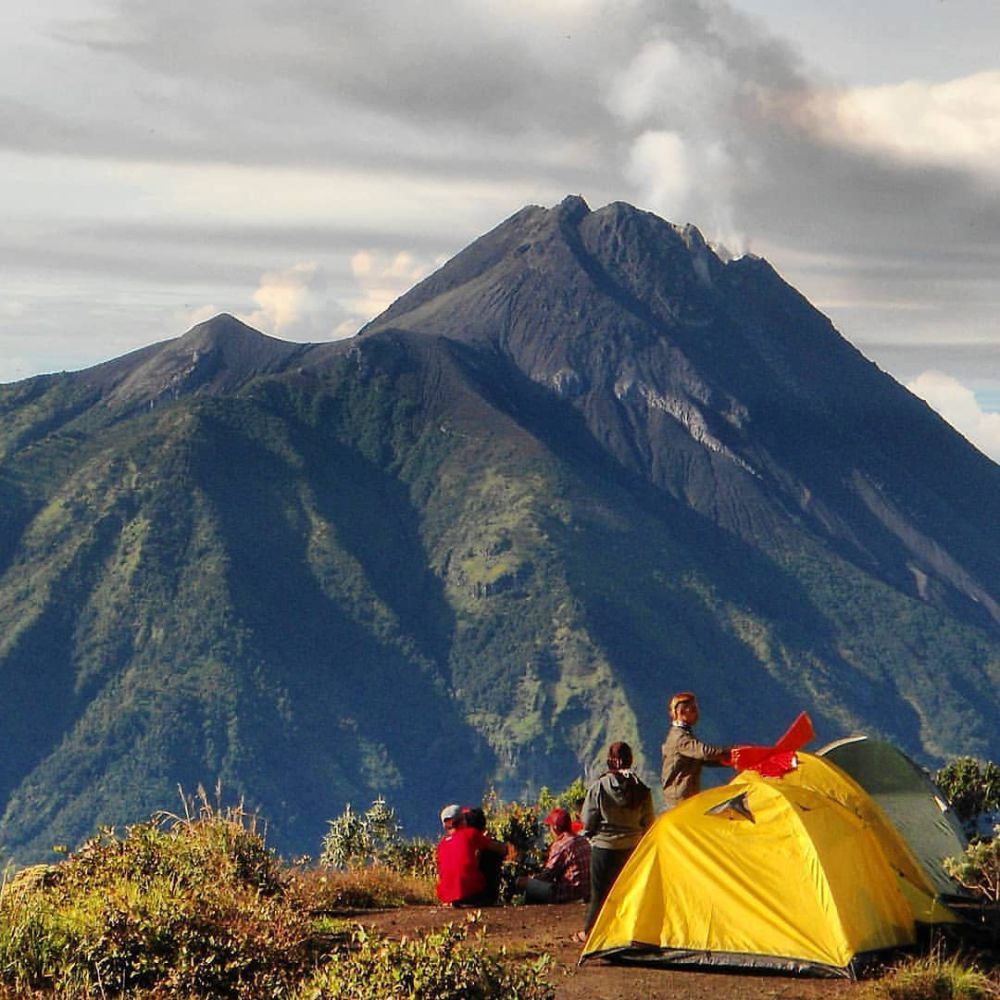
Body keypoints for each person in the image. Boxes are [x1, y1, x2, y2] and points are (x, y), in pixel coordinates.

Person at [575, 741, 654, 941]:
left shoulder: (600, 787)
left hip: (604, 848)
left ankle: (589, 933)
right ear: (631, 760)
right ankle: (626, 934)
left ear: (610, 761)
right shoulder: (641, 789)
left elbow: (588, 821)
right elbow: (649, 822)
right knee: (627, 893)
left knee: (599, 895)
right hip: (631, 848)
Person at [660, 691, 732, 809]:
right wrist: (730, 754)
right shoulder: (680, 738)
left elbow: (701, 759)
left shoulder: (683, 734)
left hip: (685, 795)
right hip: (679, 799)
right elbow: (705, 753)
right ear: (681, 712)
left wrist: (729, 761)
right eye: (693, 710)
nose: (697, 713)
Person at [435, 803, 507, 907]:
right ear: (463, 820)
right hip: (473, 895)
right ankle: (491, 898)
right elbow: (502, 850)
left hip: (448, 898)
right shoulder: (471, 834)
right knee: (490, 854)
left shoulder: (442, 845)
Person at [515, 807, 591, 904]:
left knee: (525, 884)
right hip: (585, 892)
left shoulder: (561, 845)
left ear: (554, 828)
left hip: (568, 894)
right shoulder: (582, 840)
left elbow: (548, 875)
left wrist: (530, 880)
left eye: (549, 826)